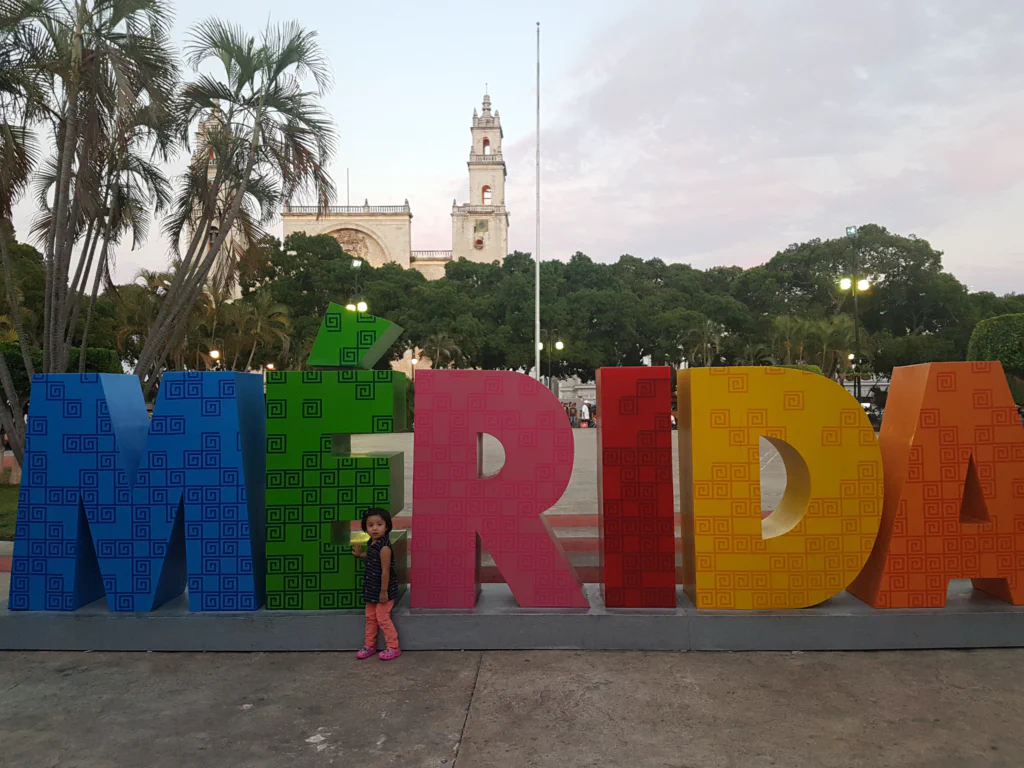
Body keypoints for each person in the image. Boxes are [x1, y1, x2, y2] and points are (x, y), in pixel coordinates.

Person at [351, 507, 401, 660]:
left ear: (387, 526)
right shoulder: (372, 543)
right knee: (370, 617)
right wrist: (360, 554)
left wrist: (384, 591)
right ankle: (369, 645)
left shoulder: (384, 547)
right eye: (370, 525)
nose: (375, 528)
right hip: (371, 589)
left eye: (379, 524)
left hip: (383, 590)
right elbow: (373, 557)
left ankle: (393, 646)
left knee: (382, 617)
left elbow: (385, 570)